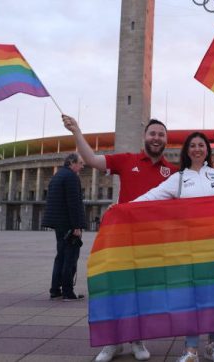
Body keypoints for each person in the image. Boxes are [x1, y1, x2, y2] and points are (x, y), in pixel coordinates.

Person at [63, 114, 177, 362]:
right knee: (116, 289)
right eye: (153, 133)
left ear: (166, 140)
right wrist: (77, 132)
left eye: (161, 135)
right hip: (123, 239)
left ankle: (137, 339)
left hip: (153, 243)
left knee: (142, 292)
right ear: (145, 137)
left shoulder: (174, 172)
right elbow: (92, 160)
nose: (156, 138)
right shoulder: (127, 161)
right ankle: (111, 342)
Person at [134, 132, 214, 362]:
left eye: (201, 145)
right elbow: (153, 196)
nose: (197, 149)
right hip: (189, 248)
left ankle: (213, 345)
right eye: (192, 146)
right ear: (186, 151)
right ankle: (190, 348)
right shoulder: (179, 178)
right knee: (192, 297)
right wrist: (124, 207)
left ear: (207, 150)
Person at [41, 153, 87, 302]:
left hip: (59, 224)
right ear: (72, 162)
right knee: (70, 258)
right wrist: (77, 226)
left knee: (60, 256)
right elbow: (74, 204)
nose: (82, 166)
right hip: (68, 224)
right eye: (80, 163)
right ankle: (68, 292)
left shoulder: (58, 176)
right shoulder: (72, 177)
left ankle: (55, 290)